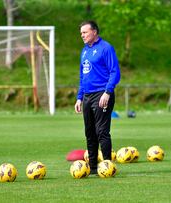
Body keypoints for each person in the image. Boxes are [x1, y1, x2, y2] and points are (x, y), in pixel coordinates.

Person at [74, 20, 120, 174]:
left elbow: (115, 72)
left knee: (102, 132)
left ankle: (108, 165)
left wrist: (107, 92)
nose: (82, 35)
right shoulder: (84, 50)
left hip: (102, 94)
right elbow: (83, 76)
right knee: (90, 132)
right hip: (87, 96)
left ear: (94, 32)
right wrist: (79, 97)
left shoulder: (106, 48)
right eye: (81, 33)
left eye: (85, 32)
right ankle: (93, 168)